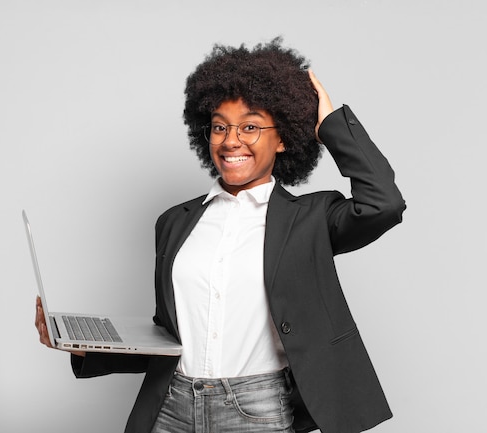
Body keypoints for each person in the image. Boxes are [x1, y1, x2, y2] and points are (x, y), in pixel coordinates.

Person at [35, 38, 406, 433]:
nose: (231, 140)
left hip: (255, 409)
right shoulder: (174, 223)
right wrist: (85, 347)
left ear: (282, 139)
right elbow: (172, 336)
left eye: (250, 126)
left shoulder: (310, 219)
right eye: (219, 127)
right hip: (170, 407)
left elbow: (383, 204)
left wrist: (330, 127)